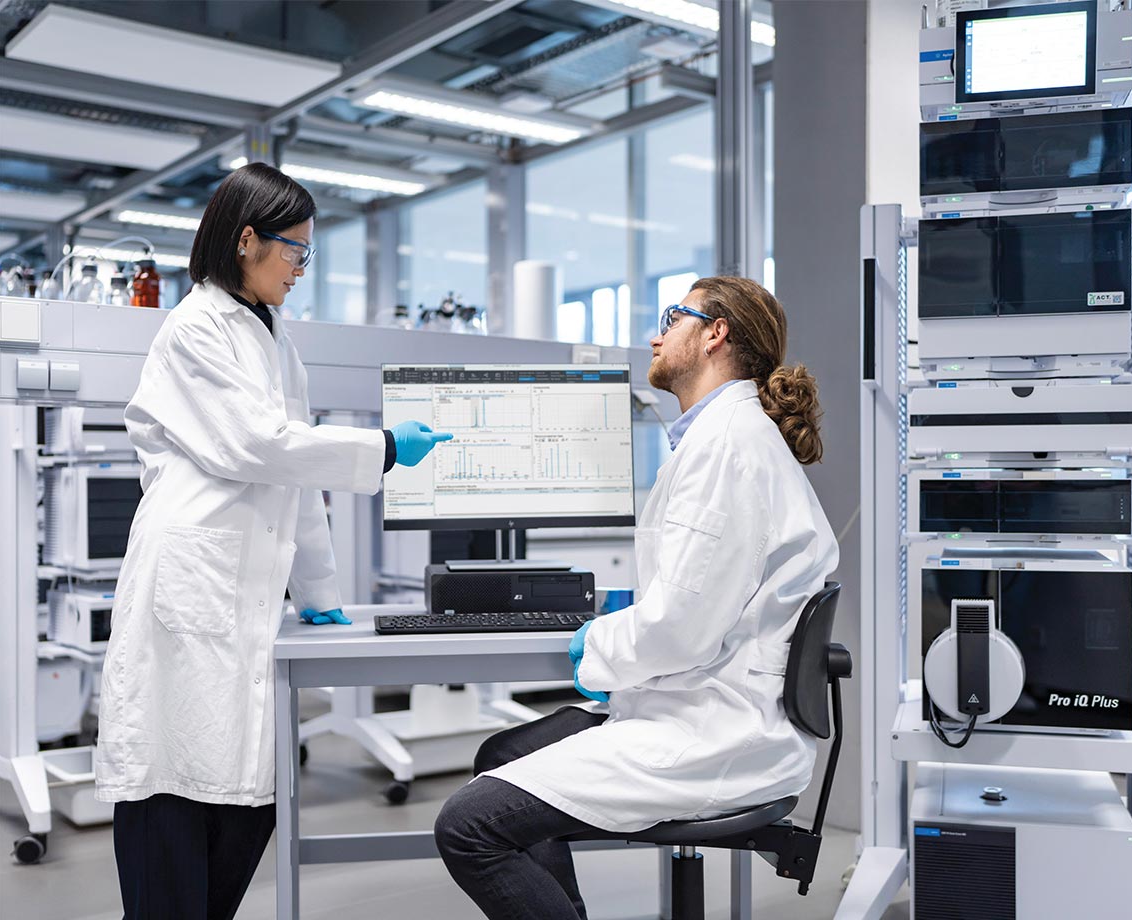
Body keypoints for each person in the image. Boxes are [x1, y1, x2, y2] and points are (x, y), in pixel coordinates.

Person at [95, 162, 452, 920]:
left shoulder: (272, 336)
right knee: (174, 789)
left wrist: (321, 594)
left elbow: (296, 476)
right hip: (188, 580)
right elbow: (258, 446)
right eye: (296, 251)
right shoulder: (195, 328)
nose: (301, 269)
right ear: (247, 240)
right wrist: (383, 446)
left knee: (244, 801)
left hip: (239, 588)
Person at [434, 275, 840, 920]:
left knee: (469, 827)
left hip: (714, 729)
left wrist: (596, 642)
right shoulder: (724, 437)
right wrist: (630, 620)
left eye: (672, 317)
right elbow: (699, 596)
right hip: (704, 701)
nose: (654, 334)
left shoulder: (728, 448)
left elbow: (680, 631)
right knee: (502, 754)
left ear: (715, 334)